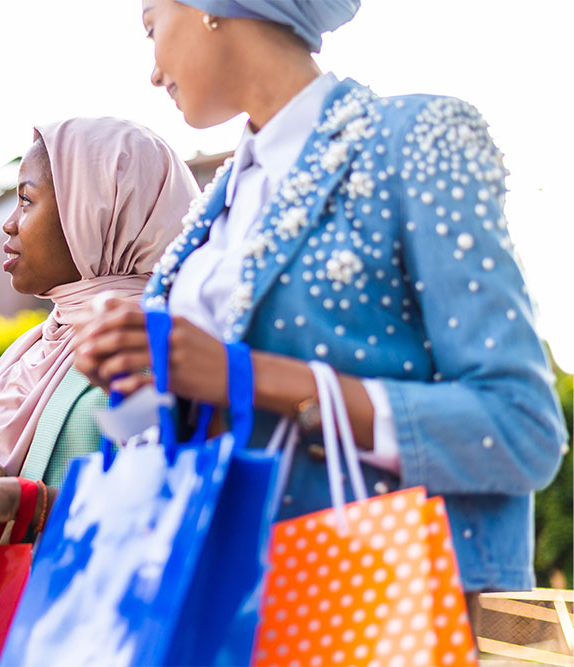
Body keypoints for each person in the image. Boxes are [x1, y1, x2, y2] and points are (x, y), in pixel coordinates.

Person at [75, 0, 567, 609]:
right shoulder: (213, 209)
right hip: (224, 613)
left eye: (150, 27)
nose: (152, 70)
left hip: (382, 613)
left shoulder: (415, 137)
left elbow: (520, 429)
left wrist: (247, 375)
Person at [0, 117, 198, 574]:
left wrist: (34, 505)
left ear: (98, 211)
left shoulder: (160, 344)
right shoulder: (32, 350)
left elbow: (167, 499)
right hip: (10, 631)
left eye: (27, 201)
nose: (9, 225)